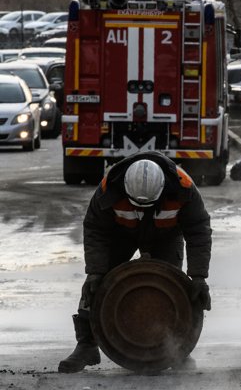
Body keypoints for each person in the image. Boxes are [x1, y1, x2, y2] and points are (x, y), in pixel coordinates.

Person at [58, 151, 213, 373]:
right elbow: (95, 229)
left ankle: (177, 352)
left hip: (166, 235)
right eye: (136, 205)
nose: (142, 209)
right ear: (125, 189)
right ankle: (86, 346)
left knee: (171, 290)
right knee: (95, 286)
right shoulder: (108, 188)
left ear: (162, 190)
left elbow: (199, 231)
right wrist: (95, 271)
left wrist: (199, 276)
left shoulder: (184, 188)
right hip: (120, 234)